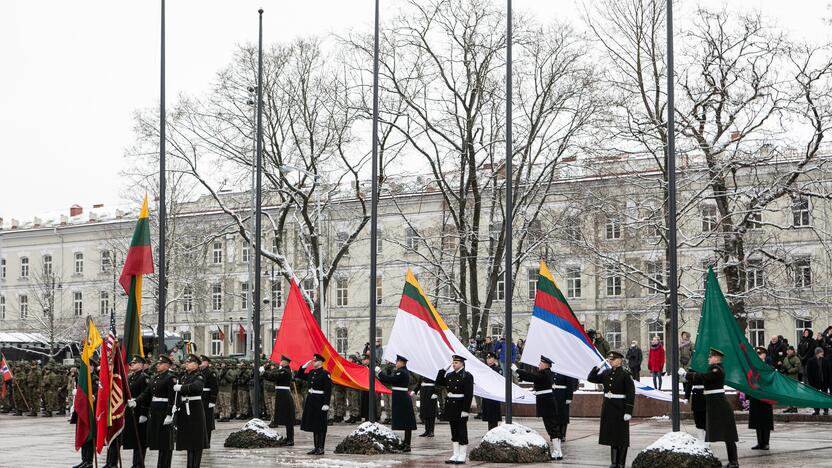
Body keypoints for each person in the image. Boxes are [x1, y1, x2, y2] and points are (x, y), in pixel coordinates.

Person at [680, 348, 739, 468]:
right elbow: (702, 378)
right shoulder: (713, 368)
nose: (708, 358)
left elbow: (704, 377)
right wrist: (687, 378)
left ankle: (734, 462)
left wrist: (686, 374)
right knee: (725, 435)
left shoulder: (717, 369)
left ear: (716, 358)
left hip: (721, 406)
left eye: (710, 357)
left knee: (729, 435)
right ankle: (732, 461)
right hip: (715, 405)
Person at [587, 351, 635, 468]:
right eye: (609, 359)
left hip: (620, 407)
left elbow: (630, 393)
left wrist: (628, 411)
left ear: (620, 360)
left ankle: (621, 463)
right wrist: (598, 367)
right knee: (612, 435)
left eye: (613, 359)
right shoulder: (606, 372)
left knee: (622, 436)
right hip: (609, 407)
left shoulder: (625, 374)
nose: (610, 361)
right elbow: (591, 378)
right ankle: (614, 462)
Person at [130, 354, 177, 468]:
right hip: (155, 411)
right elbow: (147, 393)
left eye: (160, 364)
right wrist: (136, 401)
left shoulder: (171, 378)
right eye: (158, 363)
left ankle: (164, 465)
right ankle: (160, 464)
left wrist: (170, 414)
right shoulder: (155, 378)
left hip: (164, 411)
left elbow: (173, 397)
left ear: (167, 365)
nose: (158, 365)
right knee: (159, 441)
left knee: (166, 442)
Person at [516, 356, 561, 461]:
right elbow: (534, 378)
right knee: (552, 427)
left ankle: (557, 451)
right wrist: (521, 376)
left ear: (546, 365)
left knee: (551, 427)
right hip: (547, 402)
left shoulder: (545, 373)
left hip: (547, 403)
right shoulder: (546, 373)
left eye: (540, 363)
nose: (539, 365)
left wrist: (517, 370)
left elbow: (532, 376)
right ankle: (558, 451)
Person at [436, 354, 474, 465]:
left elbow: (468, 394)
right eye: (453, 362)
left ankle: (462, 454)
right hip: (451, 406)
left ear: (462, 363)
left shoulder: (466, 376)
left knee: (462, 430)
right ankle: (455, 453)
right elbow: (438, 382)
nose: (454, 364)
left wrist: (465, 410)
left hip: (460, 405)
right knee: (454, 430)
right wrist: (443, 370)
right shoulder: (449, 375)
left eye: (456, 362)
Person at [376, 355, 418, 452]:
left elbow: (390, 380)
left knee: (407, 423)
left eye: (397, 361)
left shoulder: (401, 372)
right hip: (400, 397)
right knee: (406, 422)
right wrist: (380, 375)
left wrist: (379, 372)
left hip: (402, 398)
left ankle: (407, 445)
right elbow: (388, 379)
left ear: (401, 362)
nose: (396, 363)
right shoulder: (402, 371)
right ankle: (406, 443)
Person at [174, 354, 208, 468]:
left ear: (196, 365)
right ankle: (189, 464)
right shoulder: (184, 376)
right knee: (188, 439)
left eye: (189, 362)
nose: (186, 364)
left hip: (194, 408)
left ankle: (195, 465)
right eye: (186, 362)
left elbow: (196, 387)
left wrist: (181, 388)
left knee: (196, 439)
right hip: (184, 407)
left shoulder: (199, 376)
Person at [296, 354, 332, 455]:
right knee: (314, 425)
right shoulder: (312, 372)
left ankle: (321, 447)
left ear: (320, 362)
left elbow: (328, 390)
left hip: (320, 401)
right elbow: (300, 375)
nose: (313, 362)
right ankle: (316, 447)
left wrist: (326, 403)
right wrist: (304, 367)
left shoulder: (325, 374)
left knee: (320, 425)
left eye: (315, 361)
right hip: (311, 400)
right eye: (313, 361)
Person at [123, 355, 150, 468]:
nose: (131, 365)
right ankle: (135, 463)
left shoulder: (144, 377)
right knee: (134, 438)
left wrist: (144, 413)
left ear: (141, 365)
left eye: (134, 363)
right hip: (131, 411)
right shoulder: (131, 377)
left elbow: (147, 396)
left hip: (139, 411)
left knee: (141, 439)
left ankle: (139, 463)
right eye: (131, 364)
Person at [263, 355, 296, 445]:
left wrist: (264, 372)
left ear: (286, 362)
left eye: (282, 360)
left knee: (288, 418)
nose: (280, 362)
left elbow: (273, 376)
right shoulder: (283, 370)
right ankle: (288, 438)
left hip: (284, 394)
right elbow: (273, 374)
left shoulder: (285, 371)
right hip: (281, 394)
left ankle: (290, 440)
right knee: (286, 417)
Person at [748, 347, 773, 451]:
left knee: (766, 420)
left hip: (766, 397)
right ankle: (759, 442)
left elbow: (771, 381)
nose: (759, 356)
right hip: (756, 396)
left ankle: (766, 443)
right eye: (757, 354)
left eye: (760, 354)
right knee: (757, 420)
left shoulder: (768, 367)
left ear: (764, 355)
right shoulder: (753, 367)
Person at [552, 363, 579, 449]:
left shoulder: (565, 370)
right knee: (554, 415)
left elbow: (570, 385)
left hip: (562, 395)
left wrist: (569, 397)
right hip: (553, 395)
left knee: (563, 416)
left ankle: (562, 434)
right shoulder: (552, 370)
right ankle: (555, 434)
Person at [199, 355, 218, 447]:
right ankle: (201, 440)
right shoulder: (198, 372)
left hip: (207, 399)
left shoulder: (211, 373)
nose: (200, 363)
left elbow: (214, 387)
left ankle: (207, 441)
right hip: (200, 398)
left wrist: (212, 400)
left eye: (202, 361)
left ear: (207, 363)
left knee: (207, 420)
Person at [806, 347, 831, 416]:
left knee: (824, 396)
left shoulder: (825, 360)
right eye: (821, 352)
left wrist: (828, 382)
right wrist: (811, 383)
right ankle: (816, 410)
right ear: (817, 353)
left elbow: (829, 372)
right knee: (815, 397)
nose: (823, 353)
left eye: (822, 352)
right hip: (815, 383)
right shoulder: (811, 361)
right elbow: (809, 373)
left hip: (824, 382)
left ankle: (826, 410)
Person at [480, 353, 502, 430]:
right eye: (487, 358)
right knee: (488, 416)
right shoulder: (485, 369)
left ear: (494, 359)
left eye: (490, 358)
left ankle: (494, 431)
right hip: (487, 394)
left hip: (494, 395)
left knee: (494, 416)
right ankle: (490, 432)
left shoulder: (497, 369)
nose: (488, 359)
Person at [781, 346, 801, 413]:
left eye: (789, 350)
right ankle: (789, 407)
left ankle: (794, 407)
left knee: (793, 393)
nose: (788, 351)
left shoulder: (796, 358)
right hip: (786, 378)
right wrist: (783, 369)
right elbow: (784, 365)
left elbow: (797, 368)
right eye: (787, 350)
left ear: (792, 351)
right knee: (787, 392)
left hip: (793, 378)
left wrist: (789, 371)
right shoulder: (785, 358)